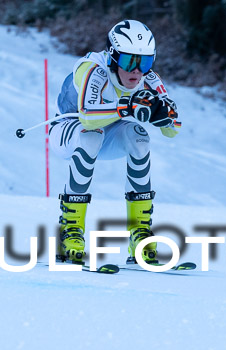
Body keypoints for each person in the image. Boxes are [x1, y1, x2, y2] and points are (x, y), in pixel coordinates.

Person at [49, 19, 180, 265]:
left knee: (140, 137)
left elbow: (174, 130)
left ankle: (140, 236)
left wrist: (164, 116)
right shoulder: (93, 70)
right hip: (69, 131)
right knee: (91, 135)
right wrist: (128, 105)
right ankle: (70, 231)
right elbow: (88, 118)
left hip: (107, 135)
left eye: (145, 62)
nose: (137, 71)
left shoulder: (149, 79)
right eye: (130, 61)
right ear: (112, 56)